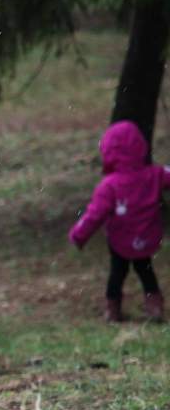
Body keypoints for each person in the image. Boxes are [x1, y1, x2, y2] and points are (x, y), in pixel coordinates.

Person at [69, 120, 168, 323]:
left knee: (117, 273)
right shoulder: (153, 175)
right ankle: (154, 306)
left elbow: (94, 214)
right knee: (146, 271)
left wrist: (79, 234)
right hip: (145, 237)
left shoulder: (109, 185)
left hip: (120, 239)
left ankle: (113, 310)